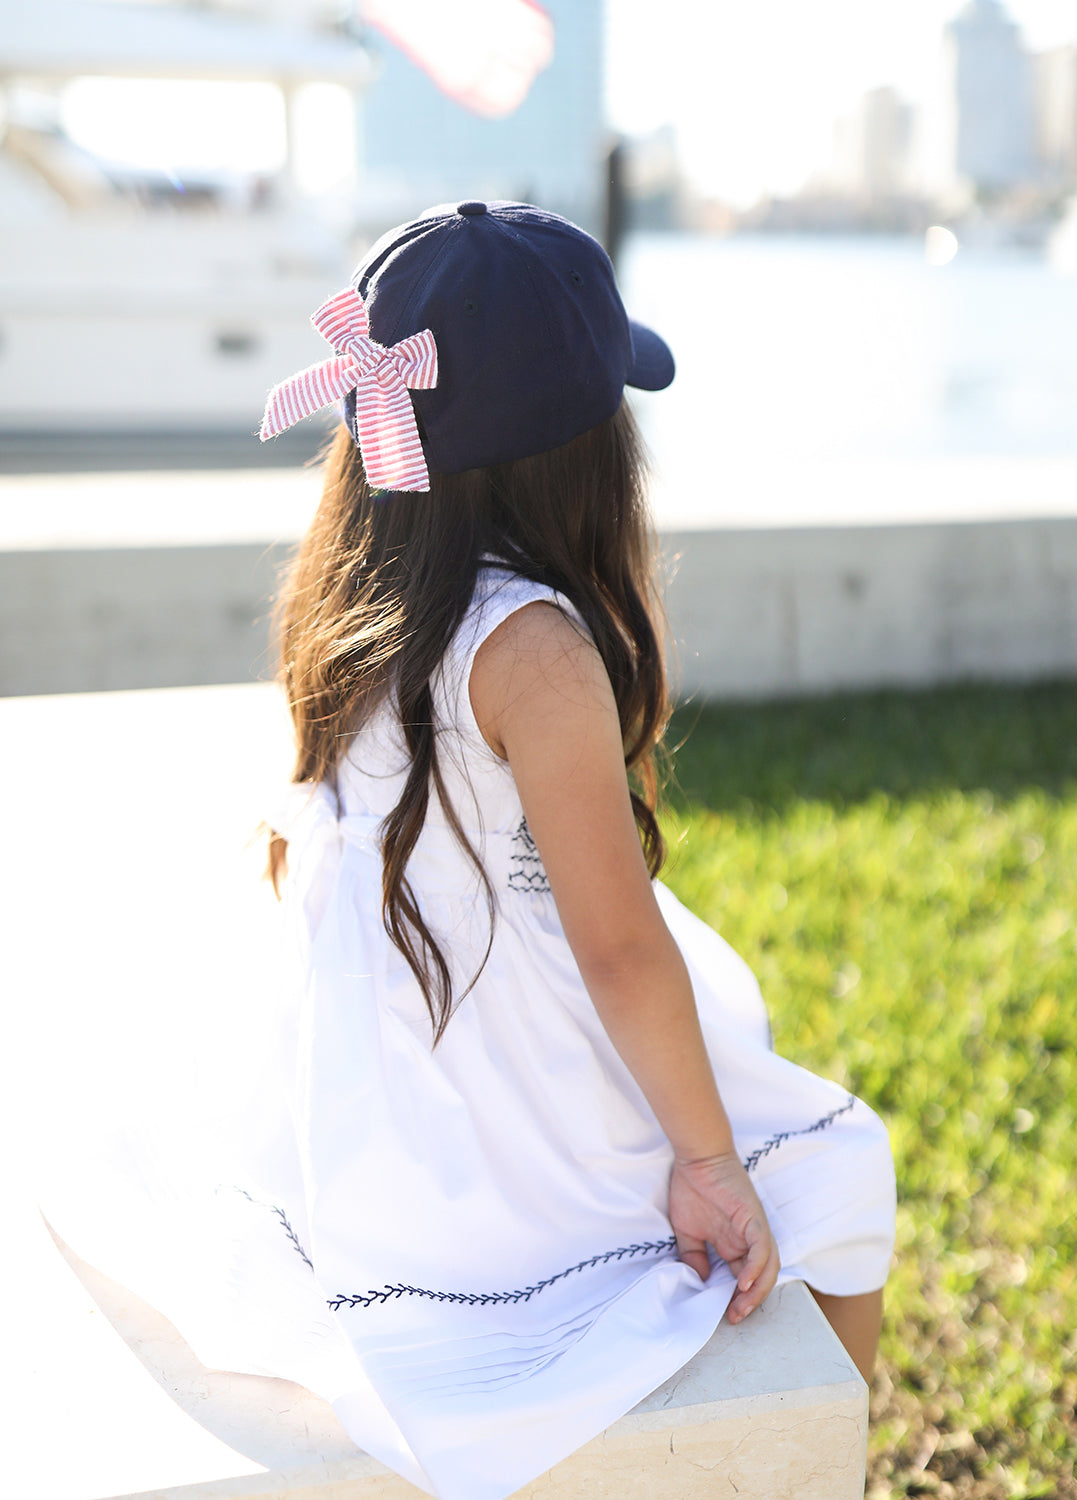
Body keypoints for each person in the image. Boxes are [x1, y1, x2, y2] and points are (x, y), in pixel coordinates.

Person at [45, 201, 895, 1500]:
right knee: (839, 1166)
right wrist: (709, 1162)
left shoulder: (362, 595)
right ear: (582, 459)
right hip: (499, 1083)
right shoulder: (538, 651)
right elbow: (615, 946)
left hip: (385, 1058)